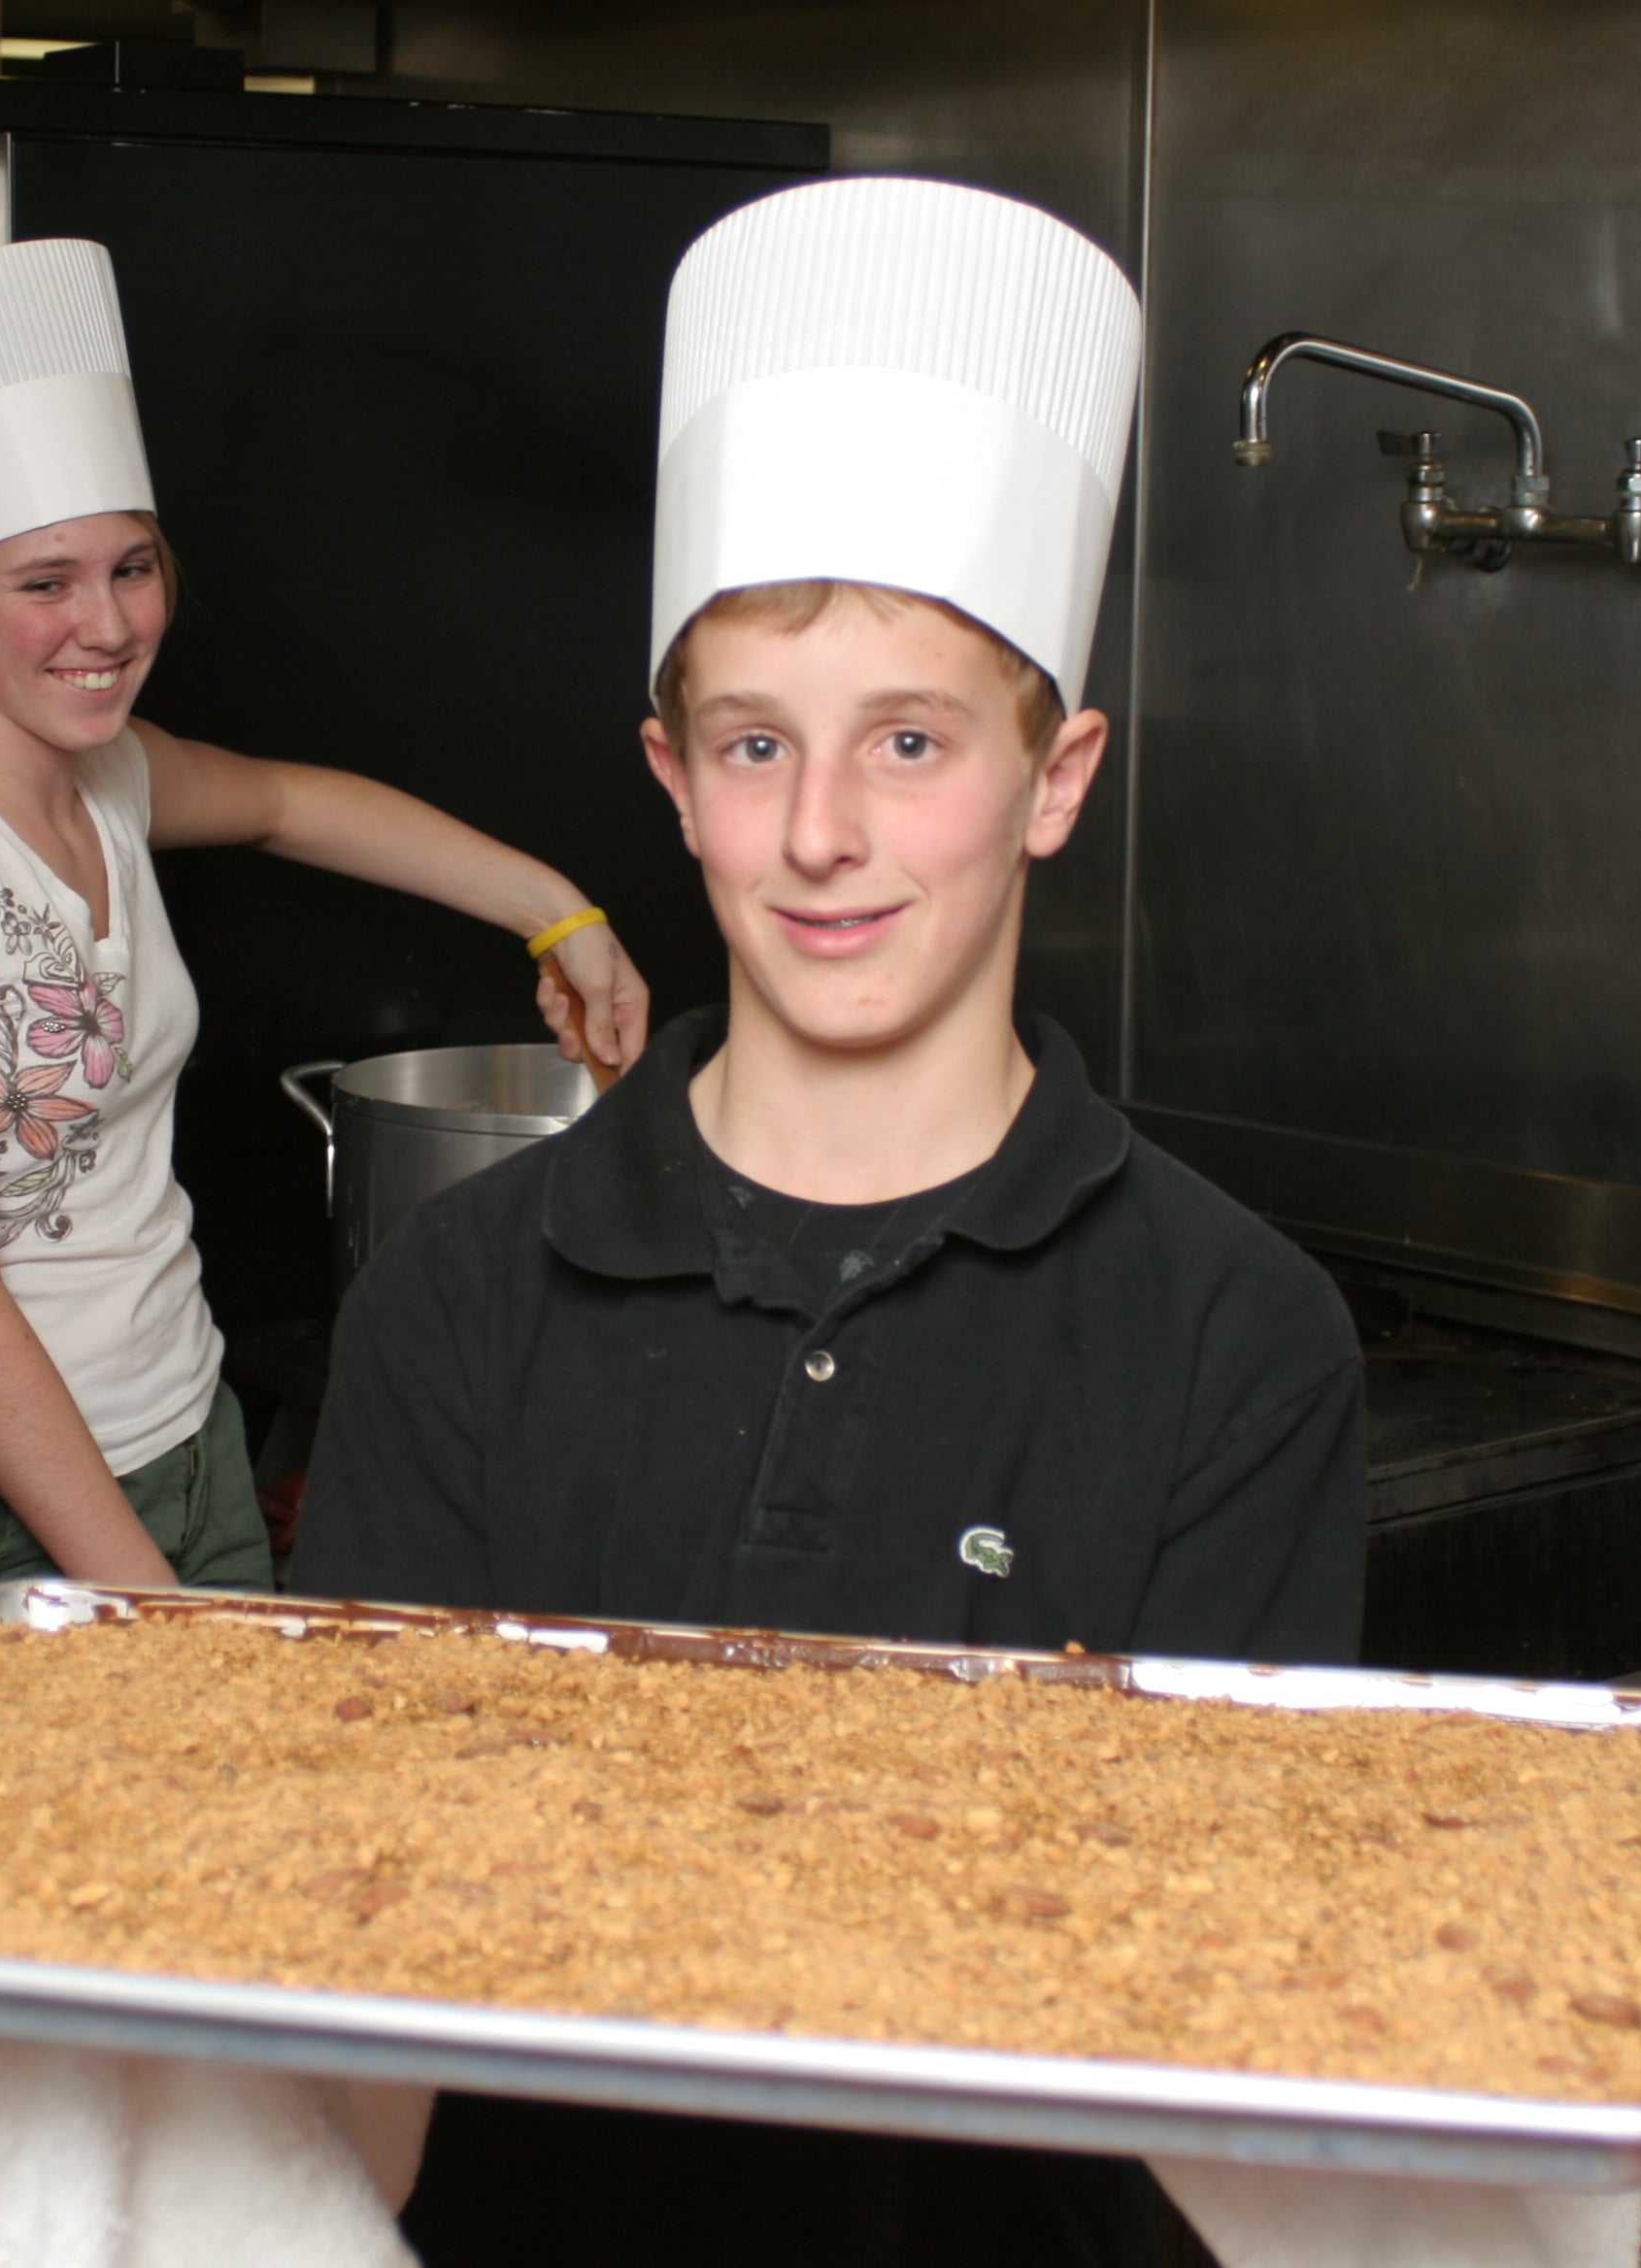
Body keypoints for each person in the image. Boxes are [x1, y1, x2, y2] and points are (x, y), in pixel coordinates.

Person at [293, 178, 1370, 2268]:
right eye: (754, 742)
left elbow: (1214, 1998)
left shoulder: (1234, 1334)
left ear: (1055, 777)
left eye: (910, 741)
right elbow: (368, 1934)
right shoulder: (460, 1299)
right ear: (670, 776)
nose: (818, 835)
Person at [0, 237, 649, 1640]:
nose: (109, 625)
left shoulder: (104, 776)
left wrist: (561, 912)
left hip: (185, 1437)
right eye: (45, 584)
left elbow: (295, 802)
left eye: (133, 568)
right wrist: (142, 1601)